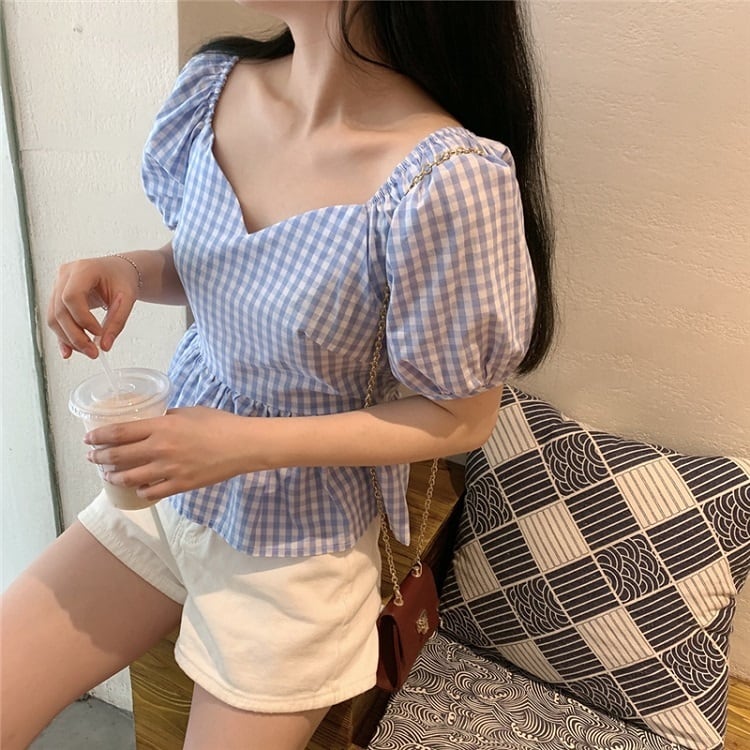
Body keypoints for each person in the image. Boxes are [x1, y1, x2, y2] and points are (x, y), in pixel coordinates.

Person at [1, 2, 554, 748]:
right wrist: (128, 269)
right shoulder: (216, 87)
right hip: (165, 492)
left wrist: (241, 445)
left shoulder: (445, 181)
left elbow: (463, 417)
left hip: (294, 547)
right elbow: (222, 268)